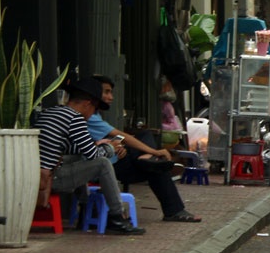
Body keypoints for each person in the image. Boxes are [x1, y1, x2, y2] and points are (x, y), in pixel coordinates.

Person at [36, 77, 146, 235]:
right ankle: (117, 216)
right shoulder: (75, 118)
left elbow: (67, 147)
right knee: (102, 164)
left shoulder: (51, 112)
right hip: (51, 179)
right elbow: (94, 155)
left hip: (39, 174)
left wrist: (98, 144)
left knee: (81, 158)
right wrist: (111, 147)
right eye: (94, 109)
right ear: (88, 104)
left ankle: (86, 210)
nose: (93, 114)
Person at [88, 76, 202, 222]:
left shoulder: (95, 114)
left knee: (148, 144)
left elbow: (115, 137)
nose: (111, 97)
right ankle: (173, 209)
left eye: (111, 92)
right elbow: (120, 135)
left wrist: (119, 144)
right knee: (156, 165)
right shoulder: (90, 117)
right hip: (108, 165)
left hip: (115, 159)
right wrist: (153, 151)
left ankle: (149, 159)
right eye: (106, 92)